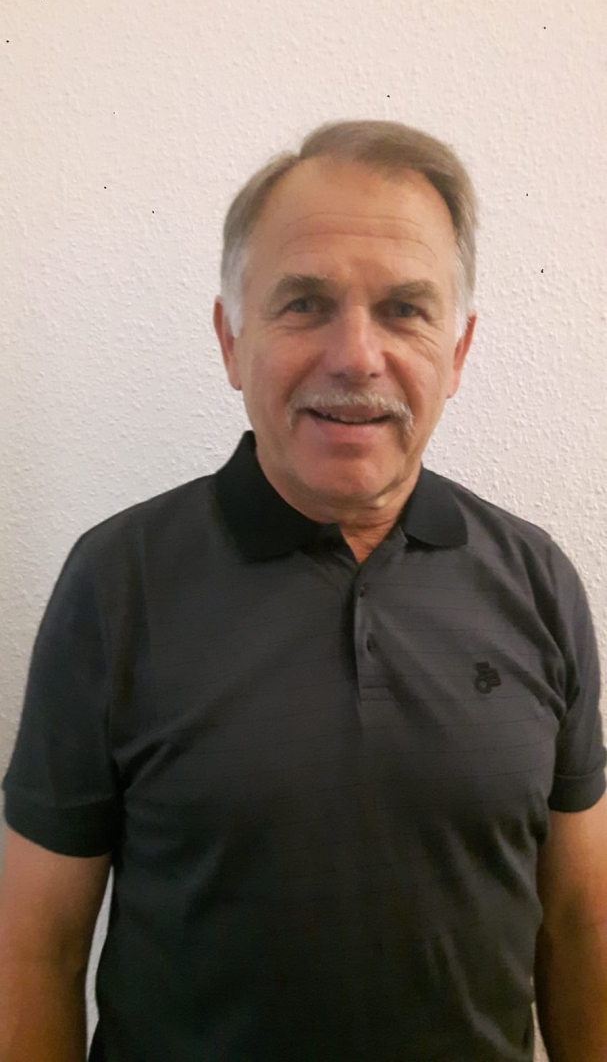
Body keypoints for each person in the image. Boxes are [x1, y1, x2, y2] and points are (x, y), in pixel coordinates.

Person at [1, 120, 606, 1062]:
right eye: (304, 304)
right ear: (230, 339)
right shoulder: (116, 582)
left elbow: (578, 921)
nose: (356, 355)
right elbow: (34, 947)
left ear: (456, 352)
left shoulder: (536, 580)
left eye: (404, 309)